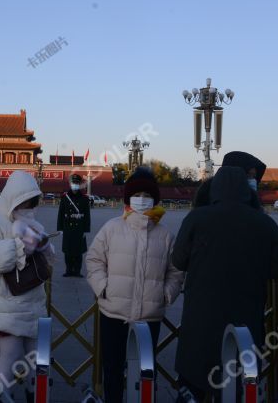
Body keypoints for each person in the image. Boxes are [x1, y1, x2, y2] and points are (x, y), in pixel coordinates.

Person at [172, 166, 278, 400]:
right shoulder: (265, 223)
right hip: (246, 316)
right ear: (247, 191)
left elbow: (178, 260)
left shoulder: (197, 218)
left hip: (201, 318)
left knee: (195, 379)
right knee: (236, 379)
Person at [85, 167, 183, 403]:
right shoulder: (111, 228)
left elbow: (176, 270)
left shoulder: (165, 235)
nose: (142, 199)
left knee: (147, 370)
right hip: (113, 312)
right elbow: (94, 260)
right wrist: (103, 288)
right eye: (136, 194)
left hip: (150, 314)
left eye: (147, 195)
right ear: (128, 198)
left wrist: (165, 294)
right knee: (113, 369)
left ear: (155, 199)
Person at [0, 170, 55, 402]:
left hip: (32, 302)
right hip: (4, 303)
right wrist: (21, 246)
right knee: (10, 354)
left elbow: (48, 259)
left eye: (32, 202)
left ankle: (35, 395)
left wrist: (45, 246)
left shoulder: (31, 220)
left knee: (36, 356)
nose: (29, 207)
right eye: (25, 201)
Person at [192, 151, 266, 208]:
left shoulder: (196, 217)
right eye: (249, 175)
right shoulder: (199, 219)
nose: (253, 181)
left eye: (254, 176)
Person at [57, 174, 91, 277]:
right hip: (68, 228)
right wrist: (60, 228)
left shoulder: (84, 199)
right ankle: (68, 270)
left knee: (78, 252)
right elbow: (61, 214)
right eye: (73, 183)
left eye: (76, 183)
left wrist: (86, 230)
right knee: (68, 251)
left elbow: (87, 215)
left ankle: (77, 271)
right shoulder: (65, 197)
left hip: (79, 228)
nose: (75, 185)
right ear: (70, 184)